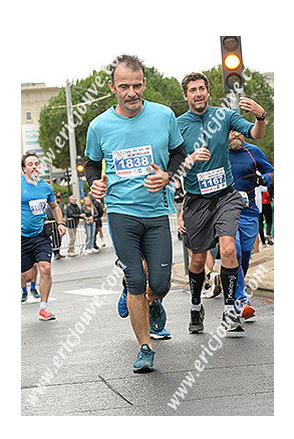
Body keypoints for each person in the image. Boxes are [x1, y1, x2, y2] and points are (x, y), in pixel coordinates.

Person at [84, 54, 187, 373]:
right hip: (120, 212)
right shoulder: (99, 126)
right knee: (136, 279)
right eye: (124, 86)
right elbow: (91, 164)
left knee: (161, 283)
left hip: (156, 212)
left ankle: (149, 300)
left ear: (144, 84)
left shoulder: (164, 115)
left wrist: (169, 175)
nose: (132, 93)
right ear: (112, 87)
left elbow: (178, 153)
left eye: (137, 85)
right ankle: (145, 347)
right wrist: (94, 183)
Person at [177, 71, 266, 337]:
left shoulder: (224, 116)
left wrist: (260, 116)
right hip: (196, 200)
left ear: (208, 91)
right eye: (193, 90)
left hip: (225, 195)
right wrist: (190, 159)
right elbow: (171, 165)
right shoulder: (178, 125)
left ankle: (230, 310)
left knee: (228, 249)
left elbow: (255, 134)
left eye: (201, 88)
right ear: (186, 95)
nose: (198, 94)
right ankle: (196, 306)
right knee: (198, 259)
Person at [228, 130, 274, 321]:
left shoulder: (252, 151)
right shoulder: (217, 151)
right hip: (225, 212)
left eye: (239, 131)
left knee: (246, 254)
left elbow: (271, 171)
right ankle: (240, 300)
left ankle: (230, 281)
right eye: (232, 131)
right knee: (235, 250)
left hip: (249, 211)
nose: (236, 134)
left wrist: (263, 179)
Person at [21, 152, 66, 320]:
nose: (34, 167)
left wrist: (60, 223)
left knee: (45, 268)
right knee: (28, 276)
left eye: (36, 164)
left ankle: (43, 308)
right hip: (22, 237)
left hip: (41, 235)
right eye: (30, 164)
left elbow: (54, 206)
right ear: (24, 169)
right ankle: (27, 284)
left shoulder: (45, 187)